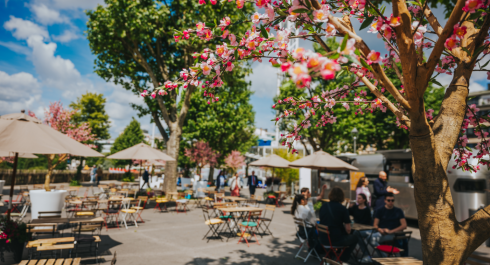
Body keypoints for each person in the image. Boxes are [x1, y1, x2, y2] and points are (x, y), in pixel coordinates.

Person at [319, 187, 357, 264]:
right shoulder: (343, 209)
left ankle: (334, 255)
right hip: (334, 240)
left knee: (342, 235)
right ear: (342, 196)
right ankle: (343, 258)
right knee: (355, 237)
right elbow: (348, 229)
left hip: (322, 238)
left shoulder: (323, 206)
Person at [349, 193, 373, 262]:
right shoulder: (355, 207)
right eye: (357, 198)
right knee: (347, 231)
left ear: (364, 200)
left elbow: (366, 221)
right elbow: (348, 213)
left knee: (356, 233)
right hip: (355, 228)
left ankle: (366, 254)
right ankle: (344, 250)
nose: (358, 199)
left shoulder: (367, 210)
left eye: (359, 198)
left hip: (363, 229)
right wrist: (349, 207)